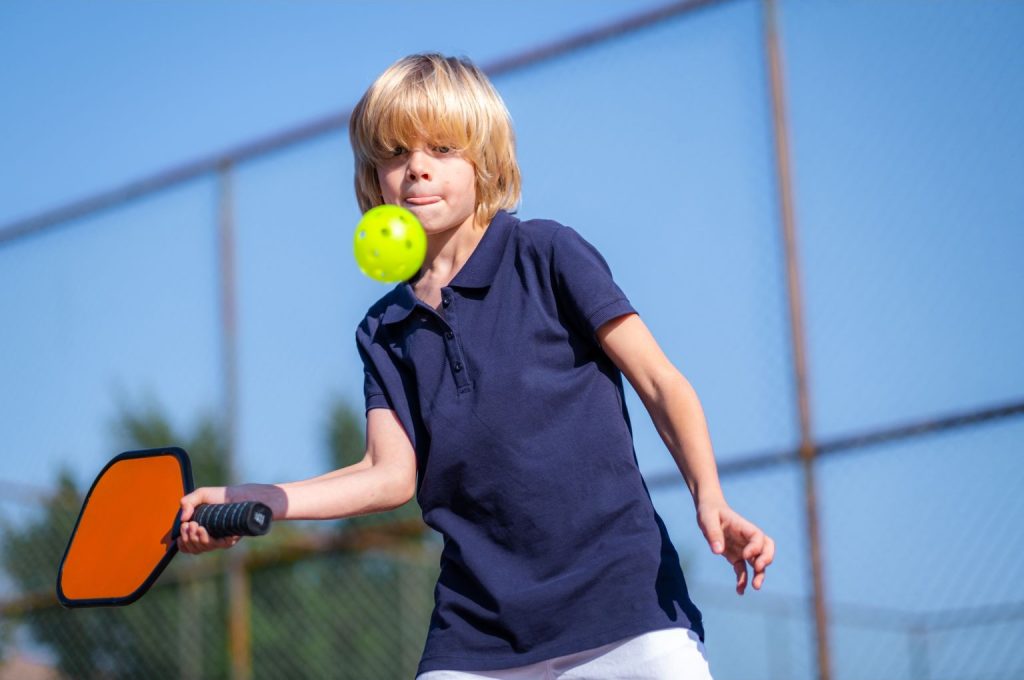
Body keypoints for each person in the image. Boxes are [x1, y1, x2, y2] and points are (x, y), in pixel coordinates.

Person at [177, 53, 775, 680]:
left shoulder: (547, 254)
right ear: (372, 177)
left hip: (625, 612)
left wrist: (711, 497)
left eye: (441, 147)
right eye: (395, 153)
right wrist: (251, 498)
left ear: (485, 160)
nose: (417, 169)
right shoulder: (384, 329)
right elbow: (388, 475)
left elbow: (661, 382)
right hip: (478, 636)